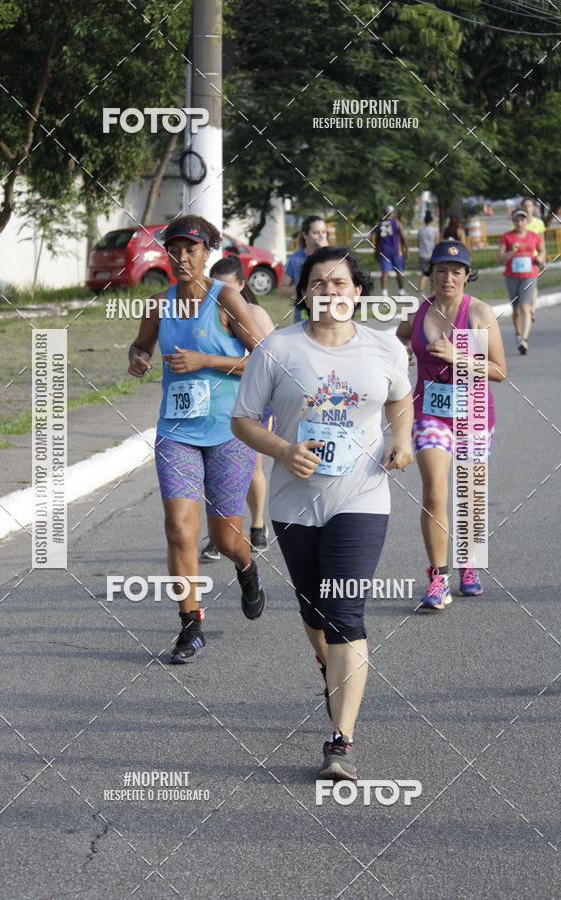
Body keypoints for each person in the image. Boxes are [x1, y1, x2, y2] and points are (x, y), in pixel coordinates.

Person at [231, 245, 413, 780]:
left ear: (357, 293)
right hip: (294, 502)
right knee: (315, 614)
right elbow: (243, 420)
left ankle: (340, 740)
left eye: (340, 284)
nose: (329, 292)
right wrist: (284, 450)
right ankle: (327, 661)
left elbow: (400, 399)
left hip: (362, 498)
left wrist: (400, 437)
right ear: (302, 292)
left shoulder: (383, 348)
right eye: (318, 283)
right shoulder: (278, 350)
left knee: (345, 615)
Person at [127, 215, 267, 664]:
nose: (182, 257)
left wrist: (204, 359)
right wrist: (138, 359)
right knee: (179, 529)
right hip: (176, 431)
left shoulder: (225, 298)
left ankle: (246, 568)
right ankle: (191, 624)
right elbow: (141, 345)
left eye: (192, 249)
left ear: (208, 252)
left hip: (229, 430)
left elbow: (264, 358)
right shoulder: (158, 305)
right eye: (175, 249)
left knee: (225, 540)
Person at [396, 241, 507, 609]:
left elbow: (499, 371)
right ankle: (439, 577)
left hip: (473, 412)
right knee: (434, 491)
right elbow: (399, 336)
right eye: (441, 270)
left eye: (456, 271)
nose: (448, 278)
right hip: (430, 412)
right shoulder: (418, 313)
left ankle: (469, 563)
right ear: (430, 274)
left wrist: (460, 356)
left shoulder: (478, 313)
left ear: (466, 275)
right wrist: (404, 354)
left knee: (470, 496)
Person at [200, 255, 275, 560]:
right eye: (215, 286)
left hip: (257, 401)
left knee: (252, 468)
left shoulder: (255, 313)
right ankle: (220, 535)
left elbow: (268, 360)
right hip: (223, 402)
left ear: (242, 285)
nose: (220, 294)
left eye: (227, 287)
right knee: (218, 471)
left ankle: (256, 527)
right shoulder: (206, 313)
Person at [497, 208, 545, 355]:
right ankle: (518, 334)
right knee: (516, 310)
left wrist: (540, 260)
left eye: (522, 219)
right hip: (512, 276)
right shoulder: (507, 237)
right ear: (513, 221)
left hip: (530, 275)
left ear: (526, 221)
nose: (520, 222)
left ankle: (524, 339)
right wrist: (512, 251)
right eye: (517, 220)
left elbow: (542, 251)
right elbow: (500, 258)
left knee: (525, 307)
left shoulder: (534, 236)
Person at [278, 215, 329, 323]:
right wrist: (301, 288)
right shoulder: (295, 259)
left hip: (328, 313)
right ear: (305, 235)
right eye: (315, 233)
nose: (321, 237)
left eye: (323, 232)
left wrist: (326, 252)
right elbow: (281, 291)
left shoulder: (332, 257)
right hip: (303, 315)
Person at [374, 205, 409, 296]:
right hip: (396, 251)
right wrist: (407, 250)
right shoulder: (397, 223)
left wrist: (376, 253)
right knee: (399, 271)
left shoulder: (380, 224)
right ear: (393, 213)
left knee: (385, 273)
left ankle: (384, 293)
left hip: (384, 251)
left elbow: (377, 241)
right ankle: (401, 291)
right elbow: (403, 237)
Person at [520, 197, 546, 322]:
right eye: (524, 206)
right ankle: (525, 307)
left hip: (534, 258)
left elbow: (542, 242)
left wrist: (543, 258)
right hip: (520, 258)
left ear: (533, 208)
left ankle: (532, 310)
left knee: (532, 283)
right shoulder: (517, 223)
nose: (527, 208)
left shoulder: (538, 223)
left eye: (529, 206)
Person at [417, 211, 440, 293]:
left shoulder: (420, 230)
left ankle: (421, 289)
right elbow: (437, 243)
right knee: (433, 275)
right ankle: (432, 292)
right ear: (432, 220)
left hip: (422, 254)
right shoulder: (435, 230)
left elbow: (418, 242)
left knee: (424, 273)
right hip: (432, 255)